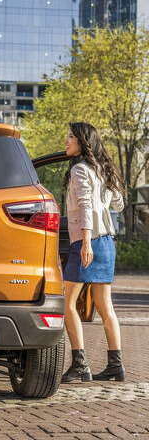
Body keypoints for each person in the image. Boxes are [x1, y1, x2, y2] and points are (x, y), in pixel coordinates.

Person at [61, 122, 126, 383]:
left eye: (70, 137)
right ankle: (115, 365)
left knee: (66, 303)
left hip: (87, 242)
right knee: (105, 306)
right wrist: (111, 186)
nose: (66, 141)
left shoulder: (79, 170)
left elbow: (86, 207)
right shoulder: (102, 171)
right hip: (107, 242)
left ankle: (80, 364)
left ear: (82, 142)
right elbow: (120, 205)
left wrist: (85, 242)